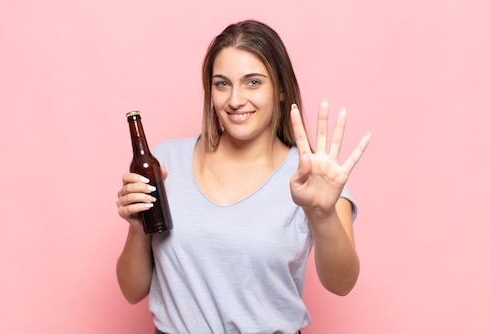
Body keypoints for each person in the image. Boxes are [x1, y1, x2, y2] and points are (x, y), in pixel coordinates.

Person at [116, 19, 371, 334]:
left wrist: (322, 214)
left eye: (253, 82)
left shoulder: (314, 177)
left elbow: (342, 284)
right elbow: (132, 291)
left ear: (279, 89)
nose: (235, 100)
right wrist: (137, 229)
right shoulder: (166, 162)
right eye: (222, 83)